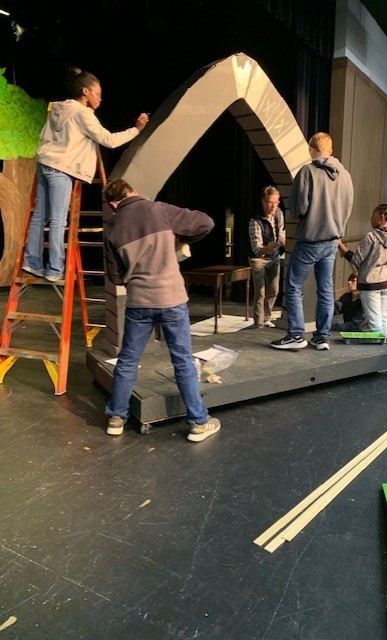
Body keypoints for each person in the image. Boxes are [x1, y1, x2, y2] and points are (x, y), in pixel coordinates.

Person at [102, 178, 221, 442]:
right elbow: (206, 223)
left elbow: (115, 276)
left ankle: (116, 418)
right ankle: (198, 423)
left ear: (113, 204)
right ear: (133, 192)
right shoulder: (159, 210)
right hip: (171, 299)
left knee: (128, 360)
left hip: (139, 303)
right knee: (182, 361)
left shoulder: (111, 227)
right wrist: (181, 239)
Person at [22, 67, 149, 282]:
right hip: (61, 168)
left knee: (40, 216)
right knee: (58, 219)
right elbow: (109, 140)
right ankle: (54, 269)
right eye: (97, 93)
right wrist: (136, 129)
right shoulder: (82, 114)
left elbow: (44, 135)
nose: (100, 98)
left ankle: (31, 261)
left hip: (45, 163)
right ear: (85, 91)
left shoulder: (59, 108)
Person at [271, 132, 354, 351]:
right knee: (325, 289)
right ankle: (321, 337)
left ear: (311, 149)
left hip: (310, 240)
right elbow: (348, 208)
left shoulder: (307, 172)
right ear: (331, 151)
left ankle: (296, 335)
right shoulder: (345, 175)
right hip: (332, 241)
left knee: (293, 285)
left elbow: (299, 209)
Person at [337, 200, 387, 338]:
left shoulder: (371, 237)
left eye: (373, 215)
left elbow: (356, 260)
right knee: (383, 317)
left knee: (374, 321)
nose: (370, 219)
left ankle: (378, 348)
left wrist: (340, 245)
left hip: (370, 283)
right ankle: (384, 346)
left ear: (381, 217)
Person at [248, 185, 286, 328]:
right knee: (260, 292)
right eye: (270, 203)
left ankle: (266, 318)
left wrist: (284, 240)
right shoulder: (255, 221)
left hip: (274, 256)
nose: (273, 206)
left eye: (276, 202)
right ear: (263, 202)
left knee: (274, 290)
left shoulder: (279, 214)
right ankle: (258, 323)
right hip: (258, 258)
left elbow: (281, 232)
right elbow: (257, 249)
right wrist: (268, 247)